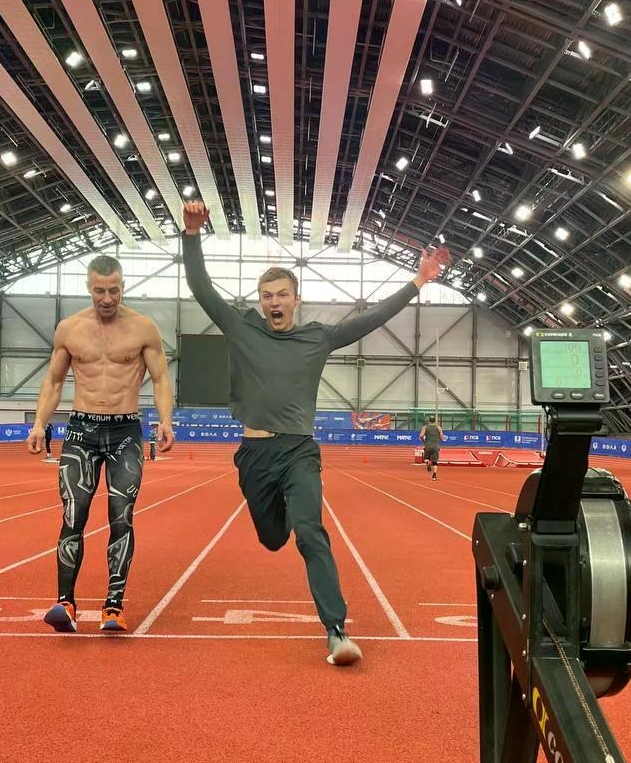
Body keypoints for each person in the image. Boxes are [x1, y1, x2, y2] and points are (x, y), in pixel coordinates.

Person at [181, 200, 449, 666]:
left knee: (311, 533)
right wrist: (191, 234)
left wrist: (418, 281)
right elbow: (201, 287)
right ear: (260, 301)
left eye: (283, 294)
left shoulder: (318, 338)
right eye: (267, 296)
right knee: (273, 538)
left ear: (296, 299)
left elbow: (370, 319)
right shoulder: (241, 328)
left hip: (299, 452)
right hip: (254, 455)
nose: (275, 302)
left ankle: (336, 631)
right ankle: (286, 513)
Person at [26, 254, 175, 634]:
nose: (107, 298)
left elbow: (160, 378)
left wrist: (165, 420)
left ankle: (114, 606)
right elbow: (53, 381)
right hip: (81, 431)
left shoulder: (143, 328)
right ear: (89, 288)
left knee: (121, 517)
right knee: (72, 515)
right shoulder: (70, 329)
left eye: (114, 290)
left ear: (123, 287)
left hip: (125, 433)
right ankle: (65, 602)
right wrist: (39, 424)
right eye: (99, 291)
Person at [419, 415, 444, 481]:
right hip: (436, 446)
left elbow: (421, 436)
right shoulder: (438, 428)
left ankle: (427, 462)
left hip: (428, 445)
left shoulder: (425, 427)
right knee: (435, 462)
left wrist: (424, 441)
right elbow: (442, 438)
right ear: (435, 421)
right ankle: (434, 476)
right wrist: (438, 439)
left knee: (425, 458)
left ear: (429, 420)